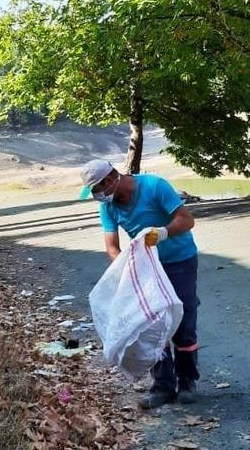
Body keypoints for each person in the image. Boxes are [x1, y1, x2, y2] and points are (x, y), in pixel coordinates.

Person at [81, 159, 200, 409]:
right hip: (146, 268)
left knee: (183, 322)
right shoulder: (109, 206)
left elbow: (187, 220)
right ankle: (163, 386)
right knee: (152, 323)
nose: (96, 196)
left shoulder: (155, 187)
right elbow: (112, 247)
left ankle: (187, 381)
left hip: (179, 261)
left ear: (110, 179)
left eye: (96, 189)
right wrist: (126, 269)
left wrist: (163, 233)